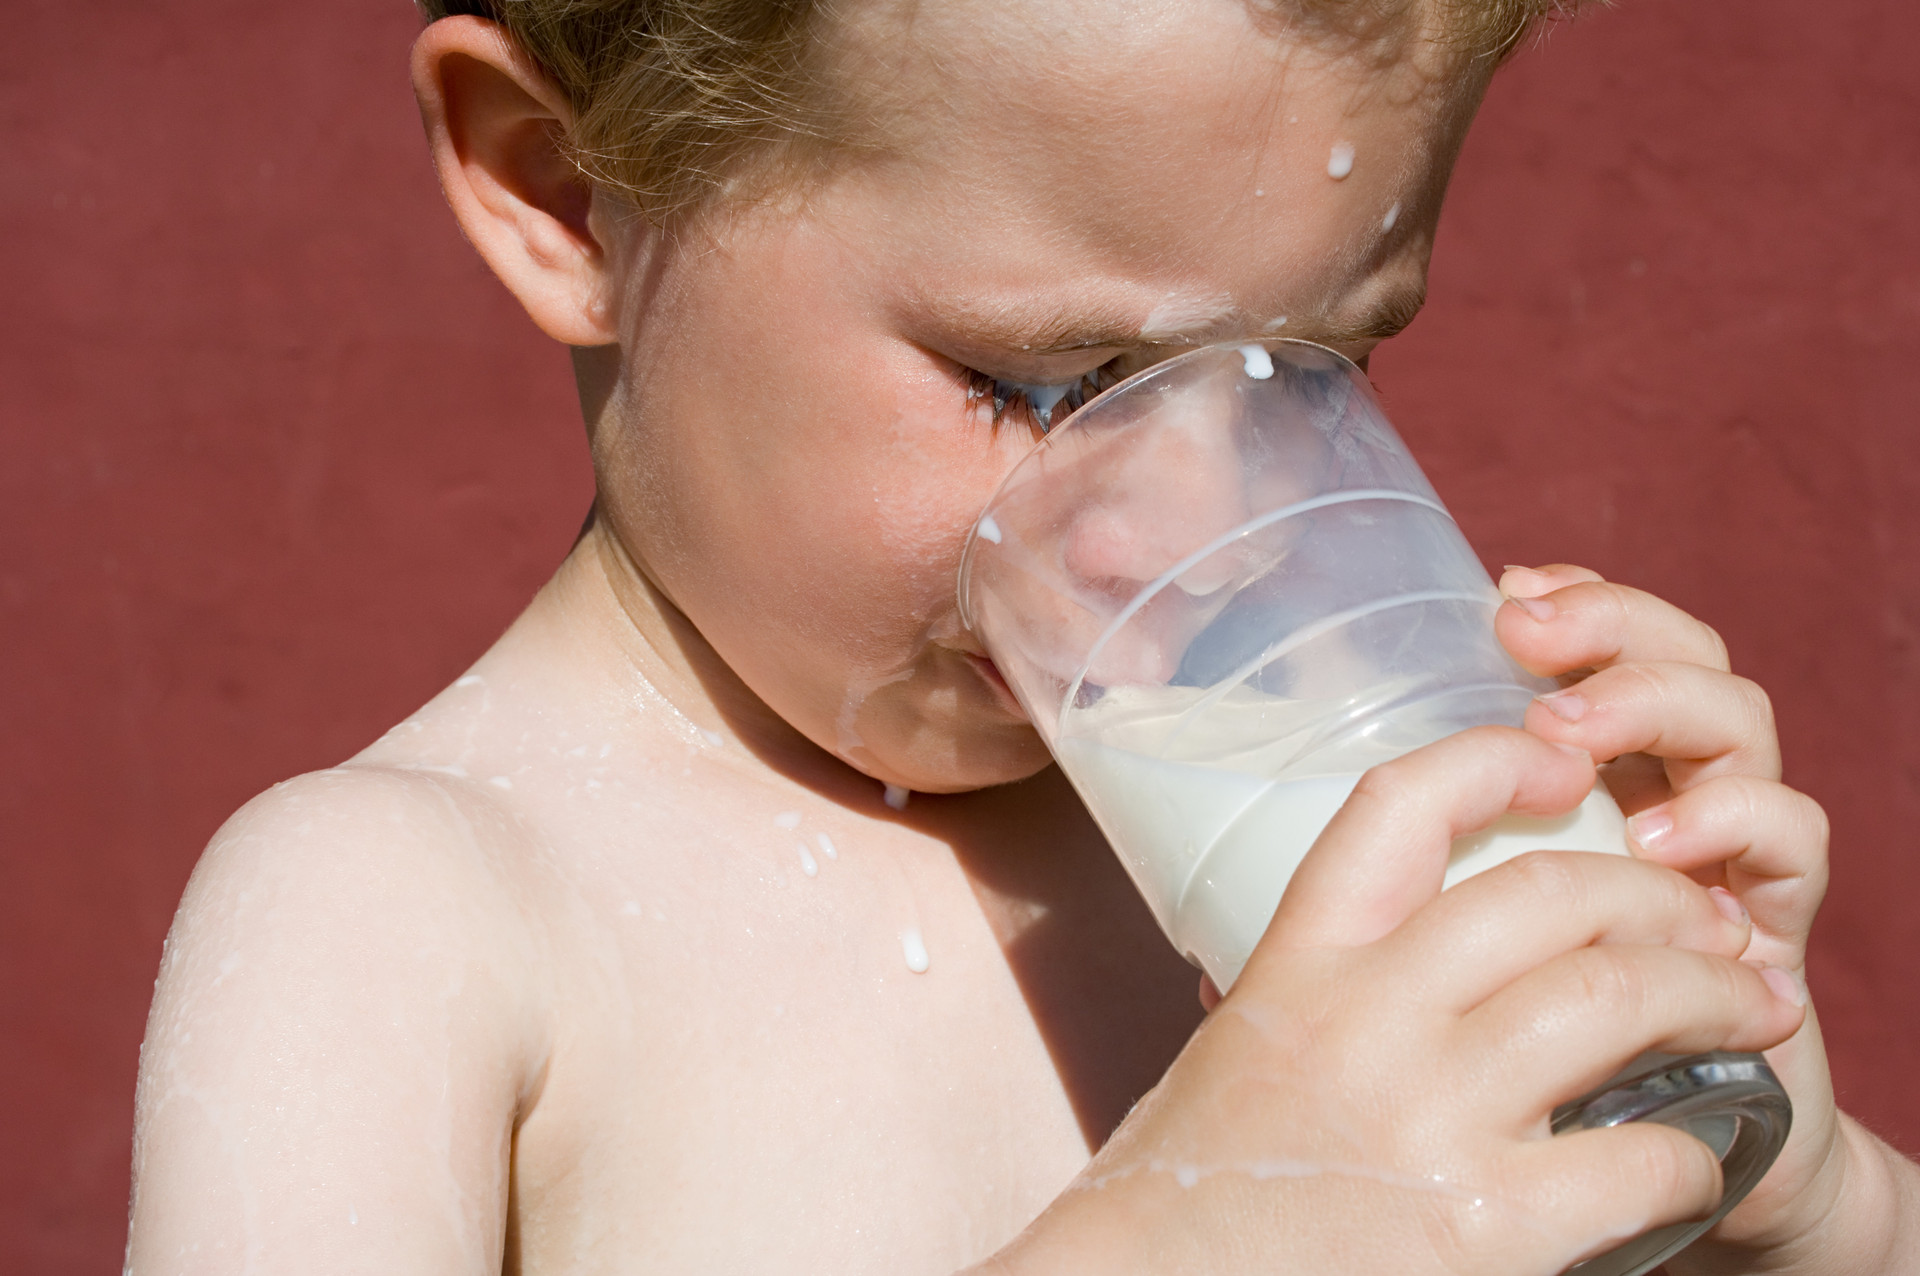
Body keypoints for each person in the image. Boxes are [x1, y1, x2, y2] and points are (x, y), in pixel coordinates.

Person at [124, 0, 1920, 1271]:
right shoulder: (403, 914)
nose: (1197, 535)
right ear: (568, 191)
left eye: (1319, 370)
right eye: (1043, 382)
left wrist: (1801, 1212)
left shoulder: (1287, 834)